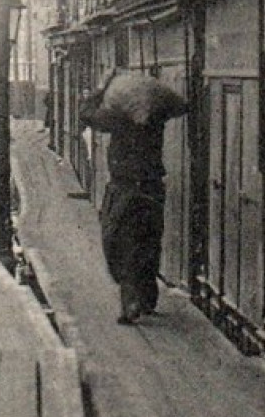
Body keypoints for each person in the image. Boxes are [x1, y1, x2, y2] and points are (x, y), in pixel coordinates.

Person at [80, 69, 189, 325]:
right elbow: (181, 106)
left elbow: (85, 114)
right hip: (152, 188)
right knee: (148, 241)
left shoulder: (118, 118)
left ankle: (130, 302)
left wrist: (103, 86)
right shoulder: (155, 115)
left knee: (120, 242)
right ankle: (147, 299)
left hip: (125, 189)